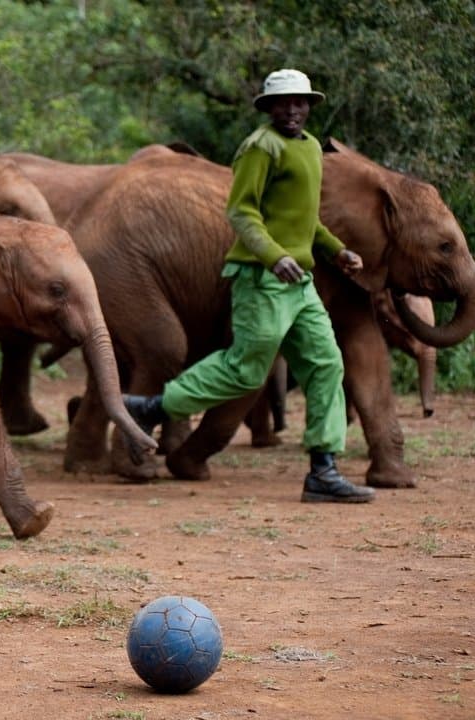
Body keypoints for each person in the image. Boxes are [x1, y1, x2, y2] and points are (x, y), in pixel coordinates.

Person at [123, 68, 374, 504]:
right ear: (268, 107)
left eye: (299, 102)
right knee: (245, 369)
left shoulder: (312, 148)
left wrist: (336, 251)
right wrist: (273, 257)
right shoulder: (260, 148)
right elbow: (242, 213)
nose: (292, 110)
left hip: (301, 282)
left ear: (310, 106)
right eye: (282, 102)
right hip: (262, 278)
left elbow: (304, 217)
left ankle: (323, 469)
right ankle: (150, 409)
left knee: (326, 363)